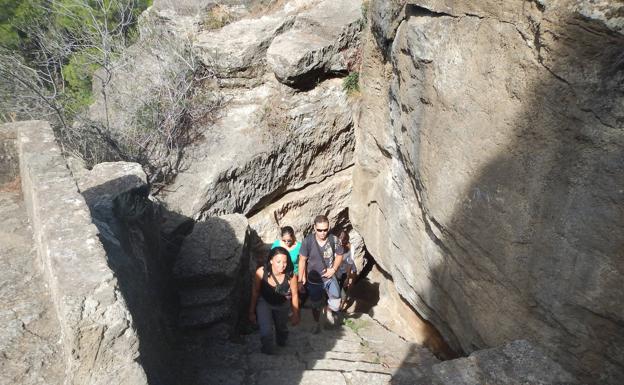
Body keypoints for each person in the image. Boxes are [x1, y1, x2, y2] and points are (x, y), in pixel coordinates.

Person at [249, 247, 300, 354]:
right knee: (266, 331)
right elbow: (256, 292)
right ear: (271, 260)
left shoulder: (291, 276)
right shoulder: (261, 272)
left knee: (281, 329)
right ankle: (267, 349)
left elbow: (295, 295)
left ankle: (281, 340)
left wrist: (295, 314)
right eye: (278, 261)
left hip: (282, 304)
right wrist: (251, 311)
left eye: (285, 262)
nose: (282, 265)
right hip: (265, 302)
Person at [298, 215, 344, 332]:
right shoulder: (308, 241)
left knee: (336, 302)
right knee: (315, 305)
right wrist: (300, 279)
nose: (323, 233)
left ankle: (329, 311)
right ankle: (316, 323)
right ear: (314, 228)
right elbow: (302, 260)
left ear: (328, 228)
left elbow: (339, 255)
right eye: (319, 230)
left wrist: (333, 269)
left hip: (329, 277)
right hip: (314, 280)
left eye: (325, 229)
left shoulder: (334, 240)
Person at [337, 230, 357, 311]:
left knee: (344, 289)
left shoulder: (351, 247)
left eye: (343, 240)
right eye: (340, 239)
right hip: (337, 267)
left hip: (346, 267)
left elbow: (350, 263)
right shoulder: (336, 244)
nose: (341, 241)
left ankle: (341, 308)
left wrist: (347, 278)